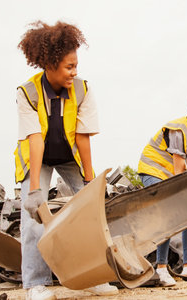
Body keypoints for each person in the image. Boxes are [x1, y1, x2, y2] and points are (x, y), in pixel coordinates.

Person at [15, 21, 118, 300]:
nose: (74, 72)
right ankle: (36, 284)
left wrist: (89, 180)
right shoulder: (27, 93)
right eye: (69, 67)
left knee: (92, 217)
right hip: (37, 159)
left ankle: (94, 277)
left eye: (76, 66)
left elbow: (83, 137)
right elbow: (35, 139)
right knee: (33, 219)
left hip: (70, 156)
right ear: (49, 65)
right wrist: (35, 189)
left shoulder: (83, 90)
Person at [137, 91, 187, 286]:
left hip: (172, 175)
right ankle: (161, 268)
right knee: (168, 213)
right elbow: (179, 166)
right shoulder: (178, 128)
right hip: (153, 171)